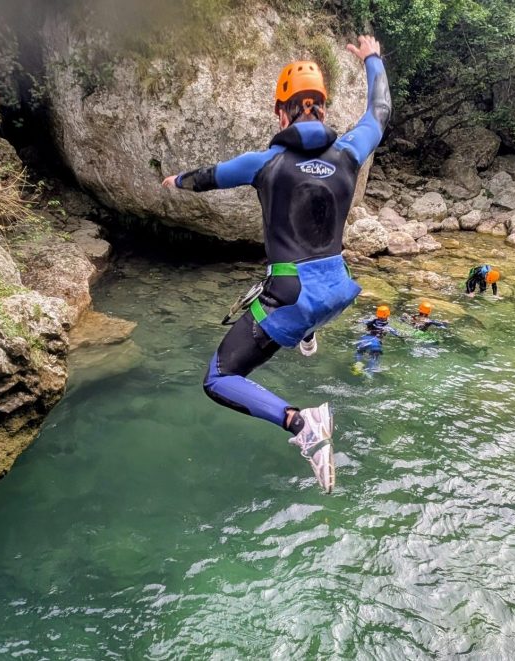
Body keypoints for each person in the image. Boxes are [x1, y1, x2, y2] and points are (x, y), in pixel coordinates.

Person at [161, 36, 391, 493]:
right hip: (339, 290)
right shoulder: (349, 152)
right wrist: (372, 59)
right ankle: (306, 336)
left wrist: (176, 181)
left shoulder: (265, 162)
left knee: (219, 378)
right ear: (322, 110)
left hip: (291, 297)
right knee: (304, 307)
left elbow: (209, 177)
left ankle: (301, 422)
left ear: (281, 114)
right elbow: (379, 113)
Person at [354, 305, 402, 374]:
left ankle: (357, 365)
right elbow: (398, 335)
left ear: (377, 314)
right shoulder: (388, 327)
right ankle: (369, 373)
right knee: (374, 358)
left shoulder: (369, 321)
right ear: (388, 315)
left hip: (364, 339)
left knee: (359, 352)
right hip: (375, 343)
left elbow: (358, 321)